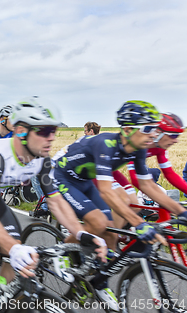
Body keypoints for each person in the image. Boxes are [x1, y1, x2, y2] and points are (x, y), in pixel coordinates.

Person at [0, 97, 106, 313]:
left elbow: (55, 201)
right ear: (21, 131)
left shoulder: (42, 158)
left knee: (16, 251)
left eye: (53, 132)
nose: (51, 138)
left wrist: (82, 233)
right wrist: (14, 249)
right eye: (44, 132)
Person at [52, 100, 187, 309]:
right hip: (63, 177)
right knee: (97, 223)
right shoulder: (104, 145)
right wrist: (138, 223)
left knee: (111, 233)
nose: (154, 134)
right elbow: (106, 190)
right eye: (149, 128)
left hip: (85, 181)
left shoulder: (139, 149)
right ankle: (61, 252)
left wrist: (181, 211)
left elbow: (146, 185)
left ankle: (99, 281)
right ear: (127, 129)